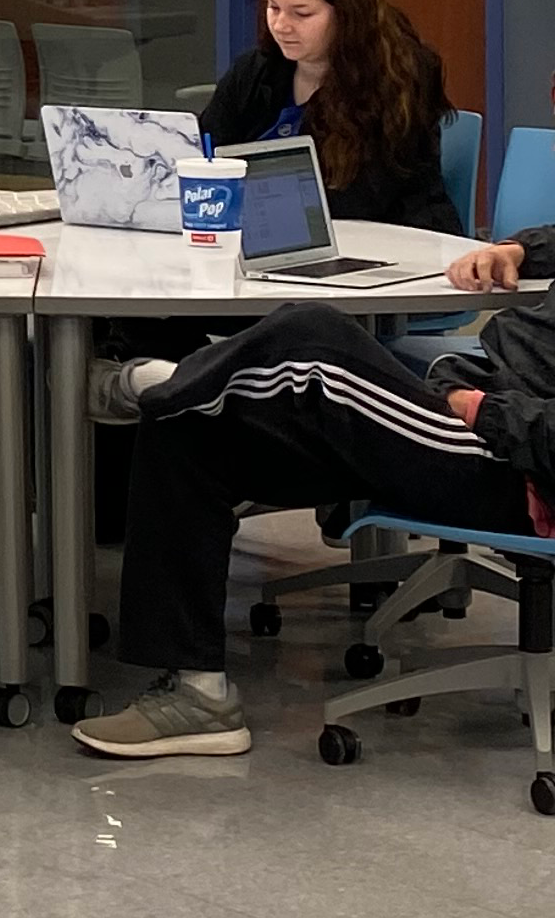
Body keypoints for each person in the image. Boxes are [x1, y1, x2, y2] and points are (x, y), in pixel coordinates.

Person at [72, 227, 555, 758]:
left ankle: (163, 383)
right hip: (492, 412)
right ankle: (197, 694)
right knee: (190, 426)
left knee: (314, 339)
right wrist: (520, 250)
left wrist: (478, 409)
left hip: (519, 464)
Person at [198, 0, 457, 233]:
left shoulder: (398, 80)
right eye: (273, 7)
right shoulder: (256, 69)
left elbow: (359, 201)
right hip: (266, 234)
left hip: (388, 241)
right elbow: (205, 151)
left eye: (302, 13)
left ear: (347, 16)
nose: (281, 25)